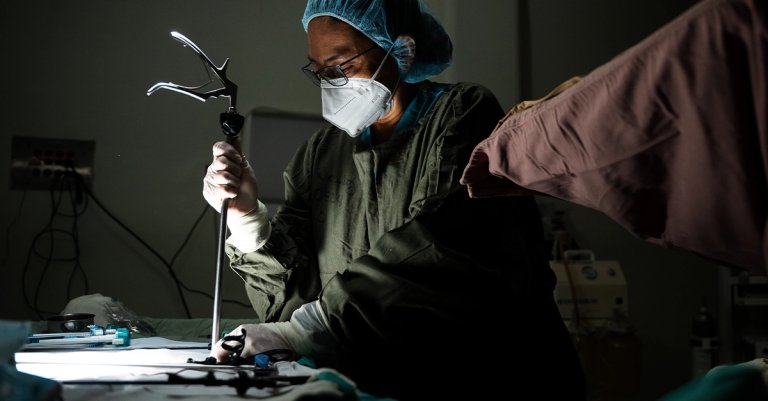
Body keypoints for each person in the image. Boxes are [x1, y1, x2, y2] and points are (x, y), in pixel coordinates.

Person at [202, 0, 586, 399]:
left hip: (490, 377)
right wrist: (247, 218)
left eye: (343, 67)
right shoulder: (321, 152)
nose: (331, 83)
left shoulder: (463, 115)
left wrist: (305, 329)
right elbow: (290, 303)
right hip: (377, 382)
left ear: (401, 51)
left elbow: (438, 250)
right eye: (319, 72)